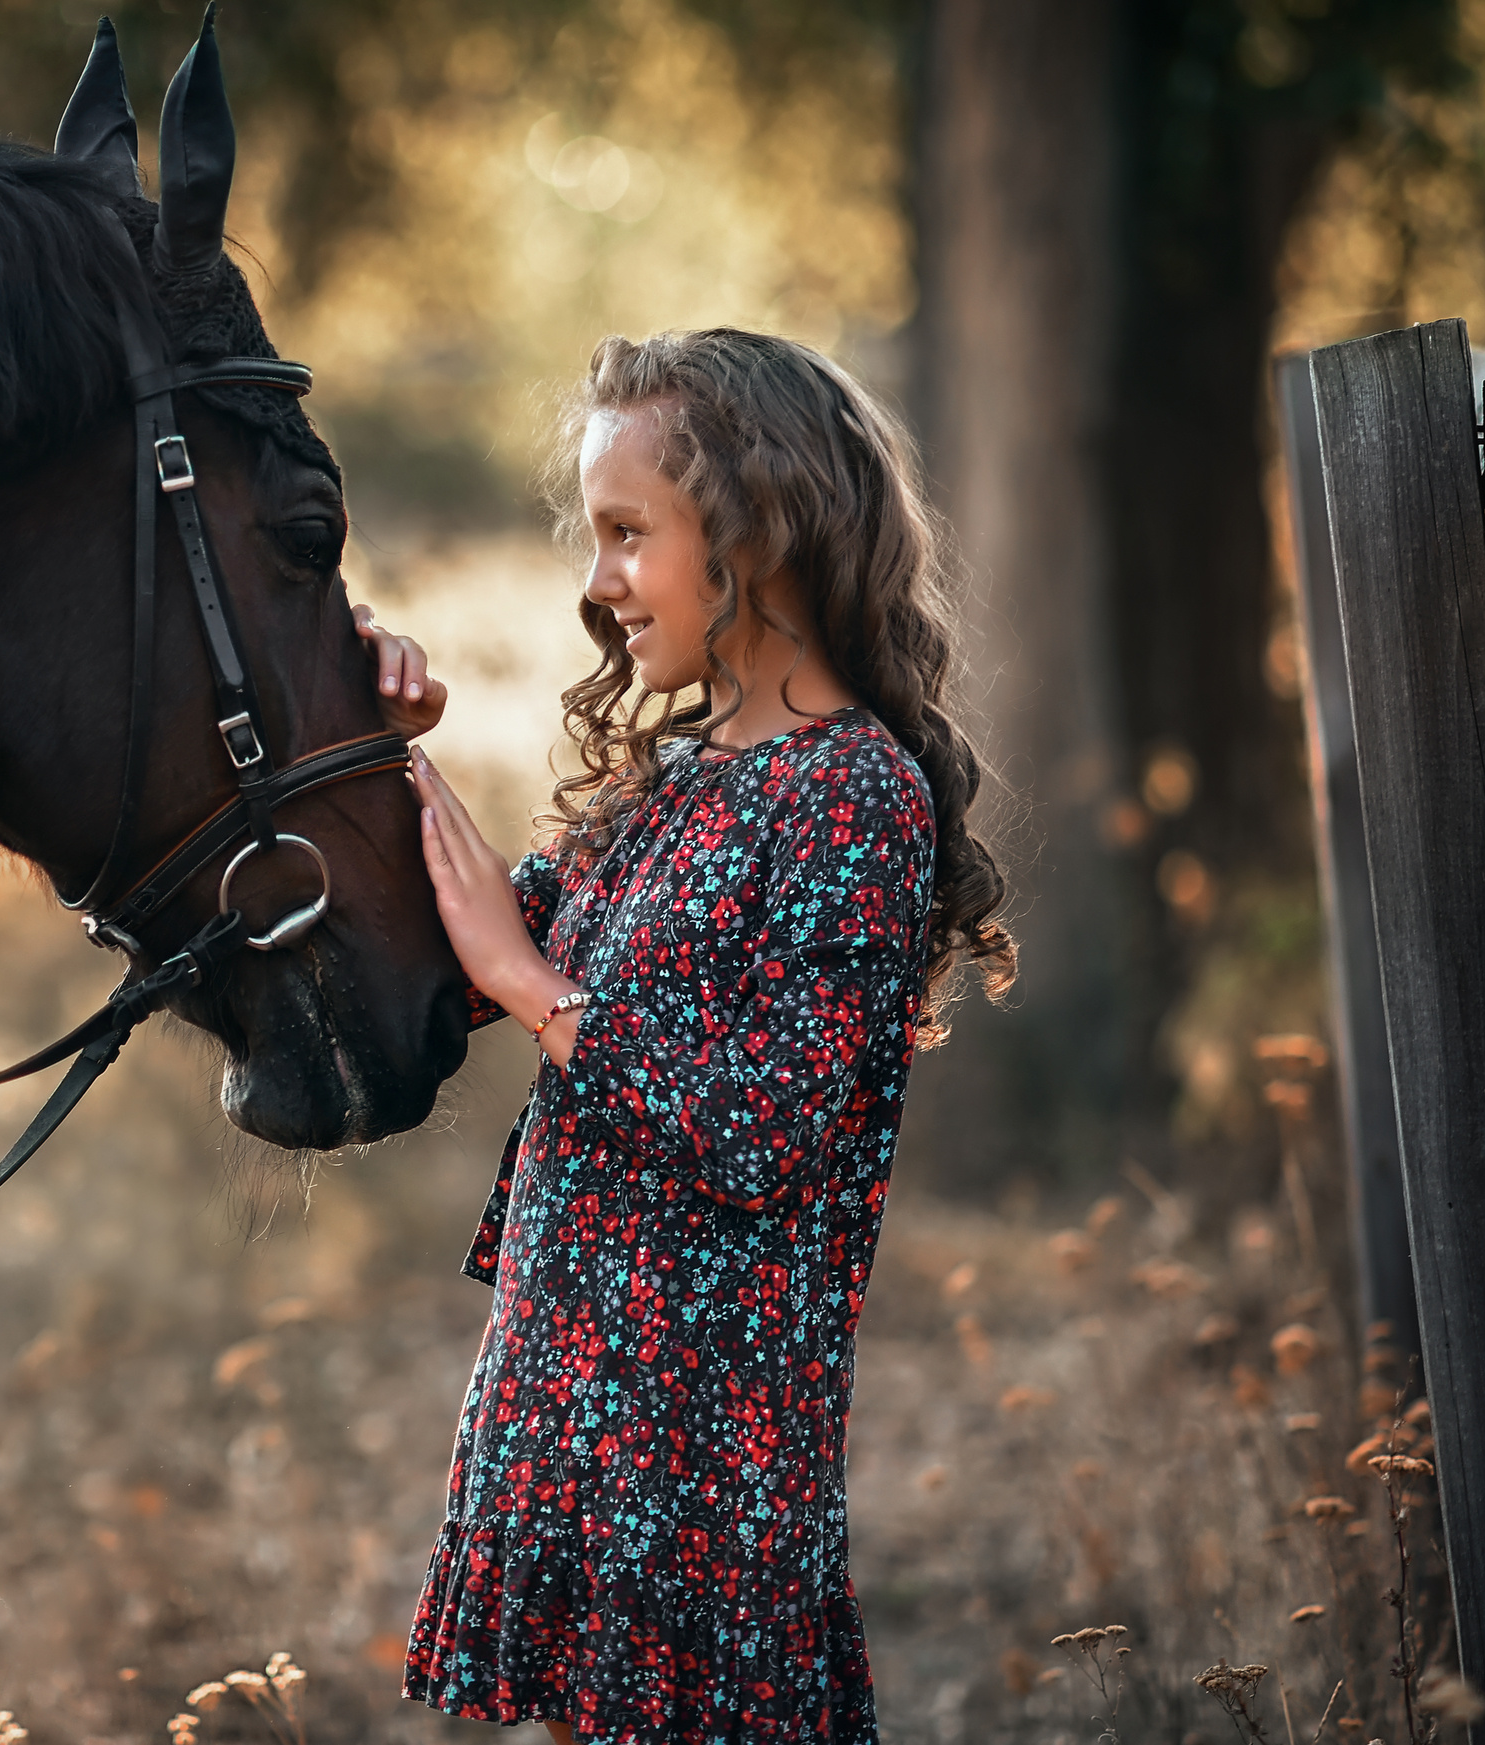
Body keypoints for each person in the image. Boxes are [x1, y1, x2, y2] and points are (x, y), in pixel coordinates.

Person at [351, 328, 1015, 1742]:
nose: (596, 580)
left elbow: (760, 1127)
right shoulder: (671, 776)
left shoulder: (853, 797)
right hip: (576, 1411)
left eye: (627, 533)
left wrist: (539, 988)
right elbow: (460, 956)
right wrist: (376, 751)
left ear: (757, 533)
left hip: (704, 1461)